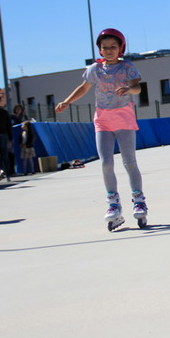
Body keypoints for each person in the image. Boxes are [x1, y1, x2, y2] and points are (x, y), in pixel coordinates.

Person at [55, 28, 148, 231]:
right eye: (104, 47)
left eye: (113, 47)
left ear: (120, 48)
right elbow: (83, 88)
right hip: (102, 120)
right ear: (99, 49)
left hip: (124, 118)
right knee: (106, 163)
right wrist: (67, 101)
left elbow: (138, 88)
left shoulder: (127, 67)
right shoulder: (95, 70)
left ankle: (138, 199)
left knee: (129, 161)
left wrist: (129, 89)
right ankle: (113, 204)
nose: (108, 51)